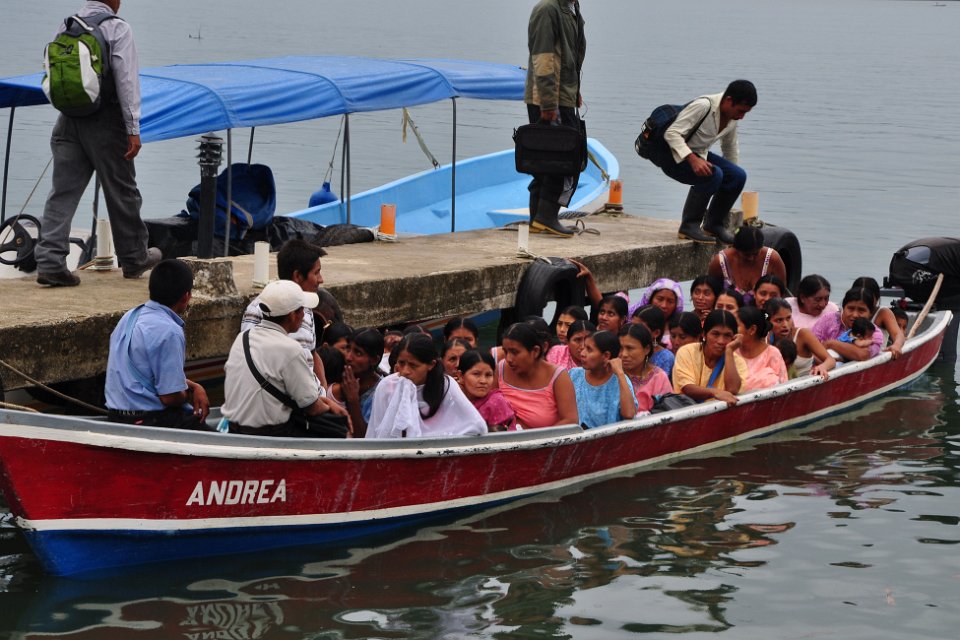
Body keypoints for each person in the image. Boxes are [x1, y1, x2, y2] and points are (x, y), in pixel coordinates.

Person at [35, 0, 161, 286]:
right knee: (122, 191)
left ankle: (50, 262)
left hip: (68, 120)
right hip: (106, 122)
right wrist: (133, 129)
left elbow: (52, 74)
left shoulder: (67, 24)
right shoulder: (117, 28)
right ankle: (134, 257)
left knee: (62, 192)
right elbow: (126, 81)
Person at [221, 280, 348, 436]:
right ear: (292, 315)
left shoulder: (243, 338)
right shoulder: (291, 349)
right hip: (270, 433)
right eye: (301, 310)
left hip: (235, 428)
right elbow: (312, 407)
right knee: (338, 427)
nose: (305, 315)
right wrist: (331, 406)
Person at [105, 259, 208, 428]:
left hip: (116, 416)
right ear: (186, 297)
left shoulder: (130, 316)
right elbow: (170, 397)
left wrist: (193, 386)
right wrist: (187, 395)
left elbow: (146, 376)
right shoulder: (170, 331)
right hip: (151, 420)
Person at [662, 80, 758, 244]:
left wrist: (732, 182)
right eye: (740, 111)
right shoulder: (703, 106)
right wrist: (692, 159)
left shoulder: (731, 118)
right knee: (713, 174)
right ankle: (689, 226)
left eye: (745, 113)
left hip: (699, 154)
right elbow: (671, 134)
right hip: (673, 155)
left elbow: (730, 148)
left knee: (738, 175)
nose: (741, 117)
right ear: (728, 100)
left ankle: (713, 225)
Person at [524, 0, 586, 237]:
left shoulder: (572, 8)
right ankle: (546, 216)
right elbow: (543, 58)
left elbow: (569, 58)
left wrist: (574, 90)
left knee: (549, 159)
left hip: (562, 95)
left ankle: (538, 219)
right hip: (550, 99)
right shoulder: (548, 9)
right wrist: (548, 102)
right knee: (561, 159)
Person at [241, 240, 328, 387]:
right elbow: (252, 363)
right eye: (316, 272)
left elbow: (312, 353)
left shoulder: (306, 306)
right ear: (298, 276)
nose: (321, 279)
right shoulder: (259, 309)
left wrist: (323, 388)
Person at [366, 334, 486, 439]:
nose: (405, 371)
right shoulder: (387, 386)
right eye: (401, 363)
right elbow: (376, 432)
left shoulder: (446, 384)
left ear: (431, 365)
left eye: (413, 365)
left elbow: (475, 425)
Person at [498, 322, 579, 428]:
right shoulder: (501, 369)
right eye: (506, 352)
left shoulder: (558, 377)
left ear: (535, 351)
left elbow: (570, 421)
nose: (508, 359)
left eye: (515, 352)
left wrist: (535, 436)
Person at [672, 309, 748, 406]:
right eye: (715, 334)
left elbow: (732, 390)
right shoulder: (687, 351)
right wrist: (714, 392)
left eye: (727, 335)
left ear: (734, 338)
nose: (721, 341)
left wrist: (729, 351)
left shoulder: (737, 361)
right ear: (704, 334)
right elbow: (687, 387)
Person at [569, 331, 637, 428]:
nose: (582, 353)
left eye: (589, 350)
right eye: (584, 348)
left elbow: (629, 414)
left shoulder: (620, 381)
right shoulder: (574, 375)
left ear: (606, 356)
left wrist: (620, 373)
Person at [707, 225, 787, 306]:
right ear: (736, 249)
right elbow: (711, 291)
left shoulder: (772, 259)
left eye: (756, 254)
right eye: (747, 254)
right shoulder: (720, 261)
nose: (751, 258)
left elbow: (782, 293)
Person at [329, 328, 385, 438]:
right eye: (348, 349)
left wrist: (353, 400)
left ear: (374, 360)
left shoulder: (381, 392)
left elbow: (364, 440)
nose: (348, 357)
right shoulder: (336, 376)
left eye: (358, 353)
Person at [764, 297, 836, 378]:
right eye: (779, 320)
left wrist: (821, 367)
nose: (785, 325)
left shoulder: (803, 334)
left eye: (788, 318)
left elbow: (830, 360)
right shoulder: (763, 339)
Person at [812, 287, 885, 362]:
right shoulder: (828, 320)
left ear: (870, 313)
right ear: (843, 308)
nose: (855, 315)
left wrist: (831, 344)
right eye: (851, 308)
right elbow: (810, 347)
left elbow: (863, 355)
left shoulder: (873, 332)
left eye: (861, 310)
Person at [457, 350, 517, 432]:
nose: (483, 381)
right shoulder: (453, 401)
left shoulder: (496, 403)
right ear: (460, 376)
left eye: (488, 375)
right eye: (476, 374)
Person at [618, 324, 673, 412]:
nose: (624, 354)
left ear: (646, 349)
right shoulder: (612, 374)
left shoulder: (658, 378)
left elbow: (666, 412)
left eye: (630, 348)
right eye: (620, 348)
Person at [851, 276, 906, 359]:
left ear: (876, 299)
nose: (864, 299)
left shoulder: (883, 313)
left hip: (875, 357)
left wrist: (897, 345)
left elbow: (897, 334)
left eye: (868, 297)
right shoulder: (850, 313)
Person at [735, 306, 788, 391]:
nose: (731, 329)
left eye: (736, 326)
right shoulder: (732, 351)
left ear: (752, 330)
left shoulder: (772, 353)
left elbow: (783, 387)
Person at [631, 305, 675, 379]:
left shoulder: (665, 357)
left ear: (656, 333)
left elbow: (661, 383)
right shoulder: (624, 348)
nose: (633, 331)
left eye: (640, 328)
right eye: (632, 326)